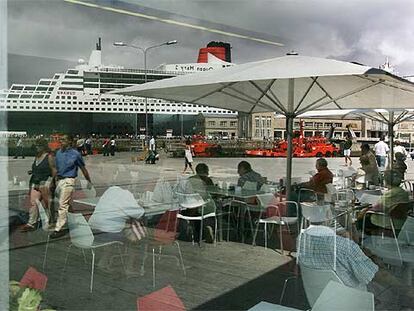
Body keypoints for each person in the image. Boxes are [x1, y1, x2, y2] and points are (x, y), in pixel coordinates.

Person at [298, 224, 414, 308]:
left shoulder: (302, 239)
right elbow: (376, 275)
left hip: (318, 301)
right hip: (354, 302)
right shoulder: (345, 246)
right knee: (394, 293)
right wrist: (406, 289)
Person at [88, 186, 145, 275]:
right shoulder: (126, 194)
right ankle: (129, 268)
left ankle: (103, 263)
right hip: (107, 234)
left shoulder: (111, 189)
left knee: (116, 227)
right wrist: (140, 206)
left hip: (91, 232)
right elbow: (138, 214)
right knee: (133, 236)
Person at [52, 134, 92, 238]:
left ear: (70, 142)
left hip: (69, 181)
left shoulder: (76, 154)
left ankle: (58, 228)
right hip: (59, 181)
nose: (61, 141)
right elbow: (56, 168)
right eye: (60, 140)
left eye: (64, 140)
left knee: (62, 204)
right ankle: (75, 220)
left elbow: (83, 168)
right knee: (65, 203)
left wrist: (88, 181)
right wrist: (53, 181)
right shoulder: (58, 153)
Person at [21, 139, 56, 232]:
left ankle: (51, 221)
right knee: (33, 202)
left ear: (44, 146)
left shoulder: (49, 156)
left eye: (39, 145)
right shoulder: (37, 156)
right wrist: (32, 171)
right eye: (36, 145)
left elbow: (54, 170)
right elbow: (37, 168)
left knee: (48, 203)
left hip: (45, 182)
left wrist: (52, 181)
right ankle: (31, 223)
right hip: (35, 181)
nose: (37, 147)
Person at [184, 163, 216, 243]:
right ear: (205, 171)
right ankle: (209, 227)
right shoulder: (207, 180)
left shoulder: (190, 179)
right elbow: (213, 193)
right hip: (202, 207)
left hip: (189, 207)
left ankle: (196, 229)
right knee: (215, 207)